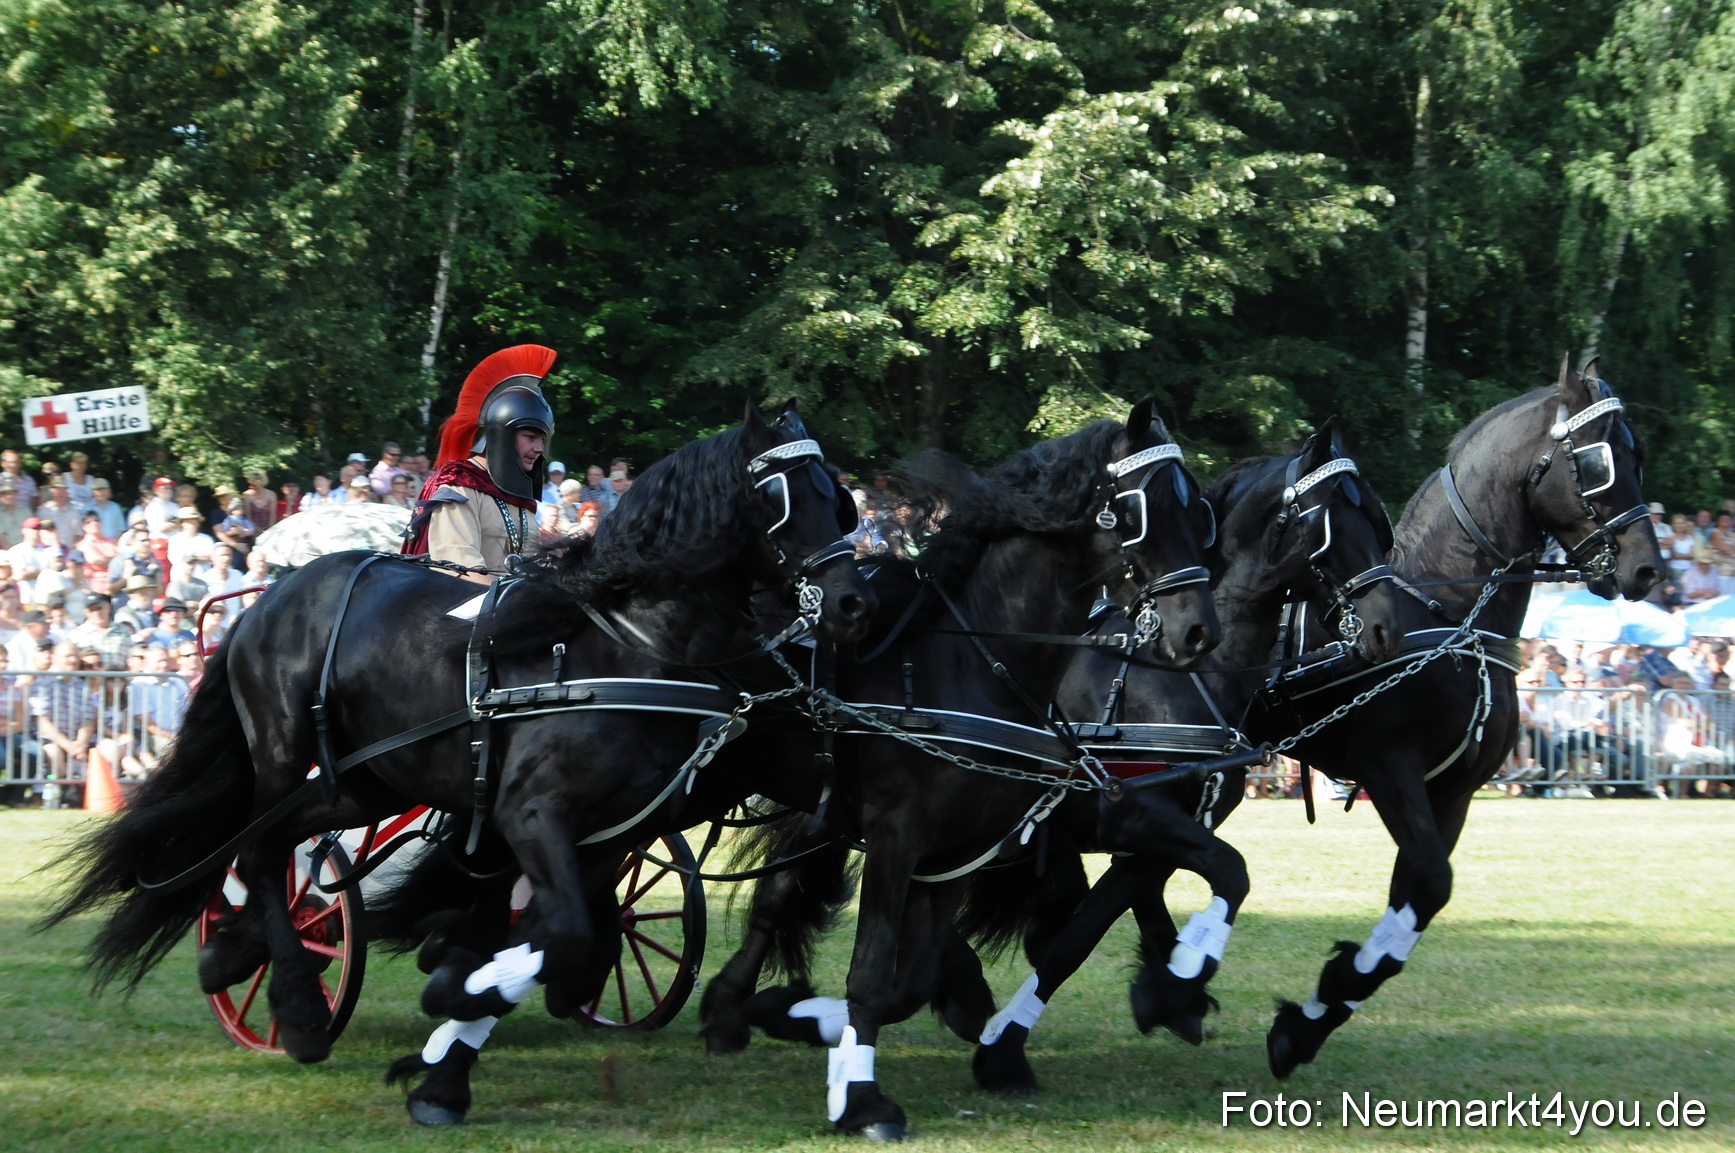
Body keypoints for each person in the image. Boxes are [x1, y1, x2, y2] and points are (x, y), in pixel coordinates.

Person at [403, 344, 557, 584]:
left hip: (516, 611)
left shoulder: (520, 499)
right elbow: (462, 573)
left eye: (542, 440)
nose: (538, 449)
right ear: (503, 435)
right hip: (463, 613)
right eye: (530, 437)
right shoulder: (458, 487)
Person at [72, 594, 133, 670]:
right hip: (90, 680)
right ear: (86, 613)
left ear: (109, 607)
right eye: (91, 610)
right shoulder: (77, 634)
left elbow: (130, 658)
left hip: (116, 679)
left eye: (99, 608)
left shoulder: (124, 630)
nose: (96, 613)